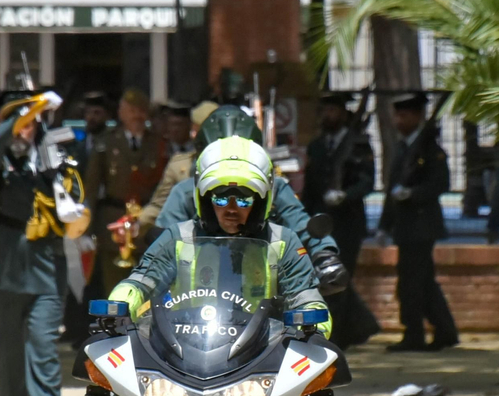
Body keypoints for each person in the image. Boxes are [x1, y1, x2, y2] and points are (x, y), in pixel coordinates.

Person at [109, 137, 328, 329]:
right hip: (186, 352)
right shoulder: (177, 238)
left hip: (264, 353)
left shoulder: (283, 242)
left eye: (243, 199)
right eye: (220, 198)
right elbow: (143, 280)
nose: (231, 208)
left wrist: (316, 322)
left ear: (262, 201)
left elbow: (305, 295)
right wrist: (121, 303)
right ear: (203, 198)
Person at [0, 92, 84, 396]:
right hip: (4, 265)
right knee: (7, 358)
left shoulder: (55, 157)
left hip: (46, 265)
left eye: (32, 121)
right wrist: (27, 112)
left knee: (43, 351)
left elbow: (77, 205)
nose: (25, 128)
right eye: (19, 122)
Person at [145, 106, 347, 292]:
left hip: (263, 288)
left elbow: (301, 223)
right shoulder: (186, 191)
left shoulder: (273, 188)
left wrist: (325, 256)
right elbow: (163, 239)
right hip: (198, 291)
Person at [380, 93, 457, 352]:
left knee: (412, 284)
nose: (398, 121)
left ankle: (415, 333)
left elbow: (440, 184)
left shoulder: (429, 150)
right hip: (405, 226)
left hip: (422, 226)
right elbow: (392, 188)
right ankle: (444, 331)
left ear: (416, 117)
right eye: (397, 115)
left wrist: (413, 194)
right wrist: (384, 224)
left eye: (403, 115)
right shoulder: (404, 149)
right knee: (421, 282)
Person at [303, 91, 379, 345]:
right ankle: (360, 327)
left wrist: (345, 195)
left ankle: (339, 335)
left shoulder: (358, 144)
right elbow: (311, 187)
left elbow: (367, 182)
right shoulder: (316, 145)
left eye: (332, 111)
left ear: (343, 114)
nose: (327, 116)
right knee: (324, 277)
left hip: (348, 223)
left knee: (339, 277)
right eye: (324, 111)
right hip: (322, 223)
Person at [83, 89, 161, 292]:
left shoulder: (158, 144)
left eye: (141, 111)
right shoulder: (106, 142)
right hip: (112, 224)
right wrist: (86, 230)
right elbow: (91, 189)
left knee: (148, 288)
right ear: (121, 113)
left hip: (146, 224)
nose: (137, 116)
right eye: (131, 111)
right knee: (115, 289)